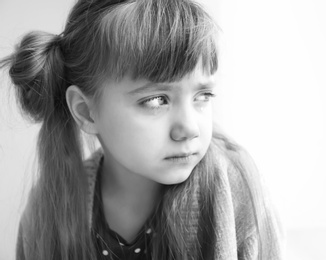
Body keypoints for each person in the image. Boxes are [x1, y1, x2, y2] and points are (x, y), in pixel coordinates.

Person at [1, 0, 282, 259]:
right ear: (86, 111)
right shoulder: (47, 209)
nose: (189, 129)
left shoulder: (233, 186)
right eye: (157, 100)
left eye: (203, 95)